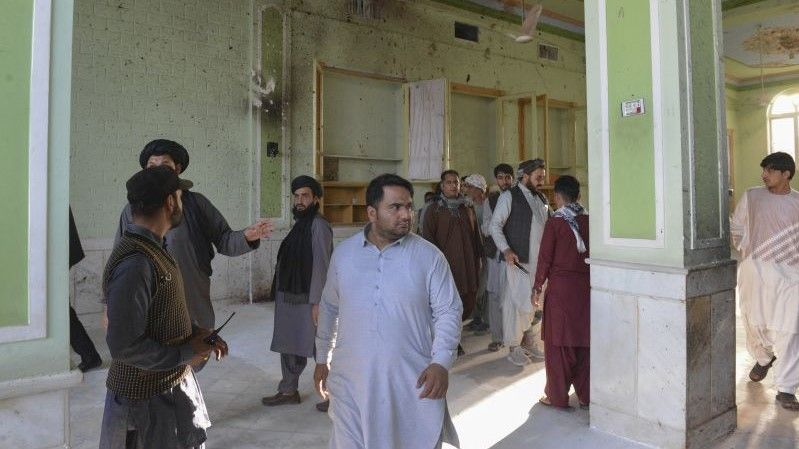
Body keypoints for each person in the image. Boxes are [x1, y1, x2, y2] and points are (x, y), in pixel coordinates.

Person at [314, 174, 462, 449]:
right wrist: (322, 357)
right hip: (351, 380)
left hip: (410, 382)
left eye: (408, 206)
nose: (406, 215)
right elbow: (329, 306)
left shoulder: (429, 257)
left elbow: (449, 311)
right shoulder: (344, 255)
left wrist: (441, 362)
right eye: (395, 207)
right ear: (372, 213)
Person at [99, 166, 229, 448]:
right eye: (180, 196)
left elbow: (161, 313)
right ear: (171, 201)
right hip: (144, 403)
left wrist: (197, 333)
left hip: (166, 391)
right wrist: (188, 352)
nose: (181, 202)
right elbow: (123, 347)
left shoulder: (154, 249)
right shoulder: (136, 263)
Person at [112, 139, 273, 332]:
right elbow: (119, 258)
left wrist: (247, 236)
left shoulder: (197, 204)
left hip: (192, 296)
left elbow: (224, 240)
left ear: (177, 169)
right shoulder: (132, 210)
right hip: (149, 296)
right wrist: (110, 305)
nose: (157, 171)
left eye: (165, 165)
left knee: (195, 341)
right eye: (152, 166)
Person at [732, 151, 799, 410]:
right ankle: (763, 358)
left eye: (770, 170)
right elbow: (737, 227)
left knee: (789, 329)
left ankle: (786, 389)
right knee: (754, 322)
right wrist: (747, 252)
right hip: (755, 273)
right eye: (764, 170)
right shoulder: (752, 196)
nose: (764, 175)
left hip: (790, 276)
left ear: (786, 174)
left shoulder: (797, 202)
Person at [263, 176, 333, 412]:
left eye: (305, 196)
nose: (300, 200)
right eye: (296, 196)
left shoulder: (318, 225)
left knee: (320, 347)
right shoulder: (300, 224)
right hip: (290, 298)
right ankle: (288, 390)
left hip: (308, 300)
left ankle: (334, 397)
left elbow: (321, 265)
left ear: (316, 199)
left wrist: (318, 302)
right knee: (289, 345)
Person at [533, 175, 590, 409]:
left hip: (561, 292)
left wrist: (537, 287)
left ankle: (556, 396)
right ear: (579, 196)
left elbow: (545, 259)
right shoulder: (590, 220)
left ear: (557, 197)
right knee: (584, 342)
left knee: (558, 345)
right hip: (586, 290)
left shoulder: (555, 223)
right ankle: (586, 396)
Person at [490, 159, 549, 366]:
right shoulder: (509, 196)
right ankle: (514, 347)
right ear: (525, 176)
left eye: (542, 177)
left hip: (540, 264)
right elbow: (495, 225)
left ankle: (530, 342)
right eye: (538, 177)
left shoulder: (541, 198)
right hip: (518, 262)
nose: (541, 181)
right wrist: (506, 249)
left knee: (536, 305)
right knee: (516, 304)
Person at [422, 170, 483, 351]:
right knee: (447, 303)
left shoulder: (467, 207)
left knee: (467, 301)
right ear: (442, 186)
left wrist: (479, 258)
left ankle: (454, 336)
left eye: (455, 182)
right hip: (447, 267)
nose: (453, 186)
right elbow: (428, 240)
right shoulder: (434, 209)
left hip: (468, 265)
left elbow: (476, 236)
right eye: (448, 182)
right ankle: (449, 341)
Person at [484, 164, 515, 352]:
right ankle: (497, 337)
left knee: (513, 296)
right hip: (495, 256)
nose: (505, 181)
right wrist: (498, 225)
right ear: (496, 179)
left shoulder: (518, 197)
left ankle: (515, 338)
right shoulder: (491, 200)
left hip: (514, 255)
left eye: (508, 177)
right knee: (495, 295)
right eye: (501, 177)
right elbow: (486, 227)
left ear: (513, 178)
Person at [69, 207, 102, 372]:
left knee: (61, 311)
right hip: (59, 253)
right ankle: (89, 355)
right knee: (62, 311)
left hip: (57, 253)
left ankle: (89, 355)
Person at [462, 174, 490, 334]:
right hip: (474, 252)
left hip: (488, 253)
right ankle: (476, 317)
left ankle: (485, 319)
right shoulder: (468, 205)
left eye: (470, 187)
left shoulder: (488, 205)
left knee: (485, 286)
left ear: (479, 189)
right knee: (476, 285)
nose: (467, 190)